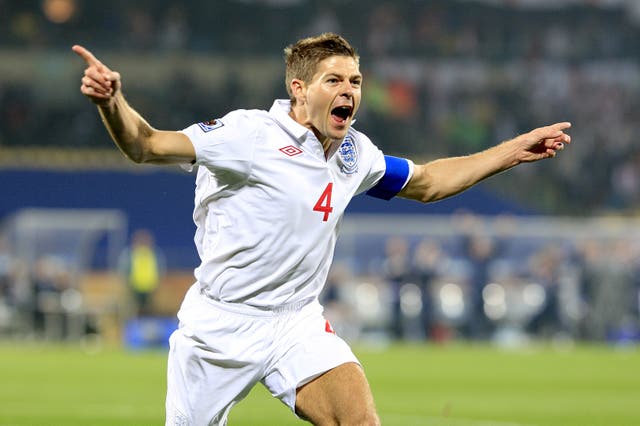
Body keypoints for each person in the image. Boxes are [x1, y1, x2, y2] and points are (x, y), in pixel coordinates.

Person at [72, 32, 571, 426]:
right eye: (334, 80)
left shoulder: (354, 152)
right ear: (299, 88)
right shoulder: (250, 136)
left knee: (359, 420)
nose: (349, 91)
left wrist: (512, 152)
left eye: (355, 81)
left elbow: (427, 182)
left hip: (295, 322)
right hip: (219, 326)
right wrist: (111, 102)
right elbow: (147, 145)